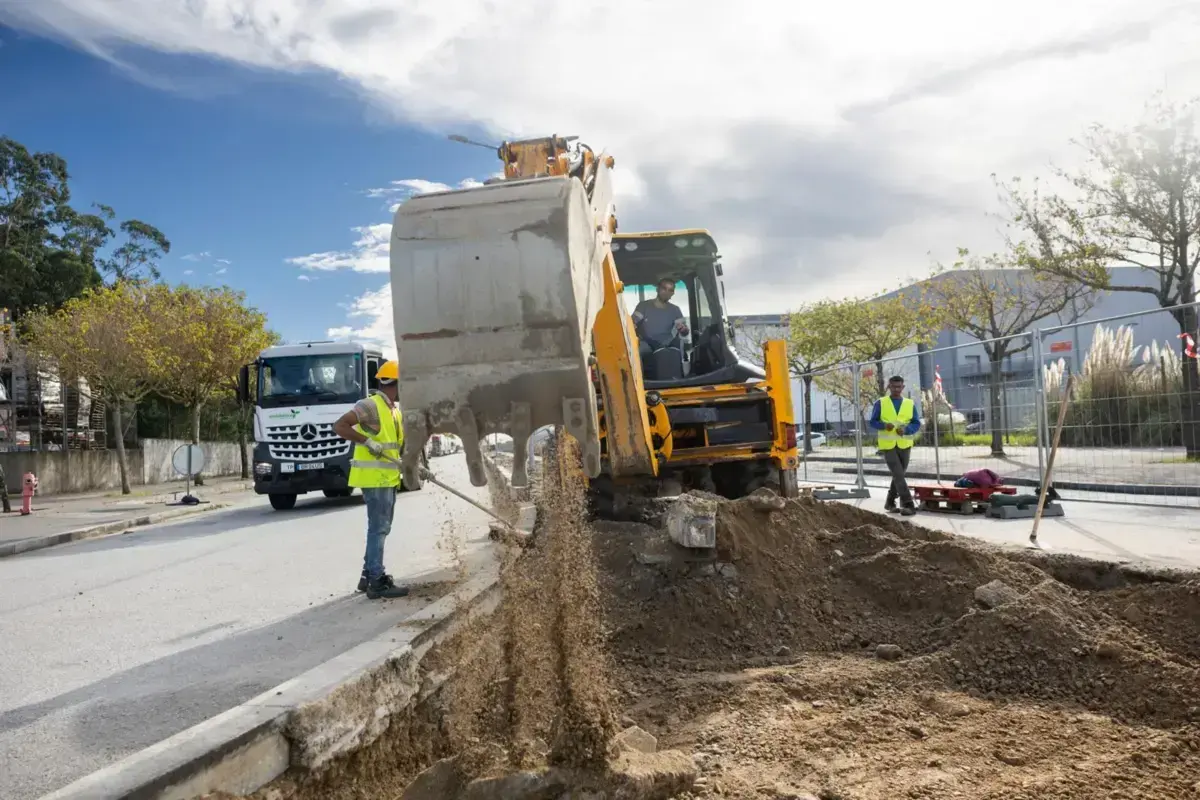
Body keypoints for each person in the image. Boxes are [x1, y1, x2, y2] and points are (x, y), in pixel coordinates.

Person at [333, 359, 410, 600]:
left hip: (387, 478)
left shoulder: (393, 410)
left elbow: (396, 448)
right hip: (375, 480)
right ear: (396, 383)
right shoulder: (370, 405)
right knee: (379, 529)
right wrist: (366, 441)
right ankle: (377, 581)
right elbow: (339, 426)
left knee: (378, 528)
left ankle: (367, 577)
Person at [869, 375, 921, 516]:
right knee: (898, 474)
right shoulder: (880, 403)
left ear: (903, 387)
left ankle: (890, 502)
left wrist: (907, 430)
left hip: (905, 443)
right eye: (893, 387)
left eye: (899, 387)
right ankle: (908, 504)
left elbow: (916, 423)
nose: (896, 389)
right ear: (889, 387)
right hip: (888, 445)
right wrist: (884, 425)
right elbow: (873, 421)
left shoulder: (909, 403)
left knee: (899, 475)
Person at [632, 278, 689, 366]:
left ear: (673, 293)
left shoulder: (675, 310)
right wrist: (633, 325)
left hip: (668, 344)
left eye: (670, 290)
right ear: (657, 289)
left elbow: (685, 332)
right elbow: (632, 323)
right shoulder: (643, 306)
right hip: (647, 343)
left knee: (678, 348)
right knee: (639, 351)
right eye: (664, 288)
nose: (667, 292)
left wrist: (683, 329)